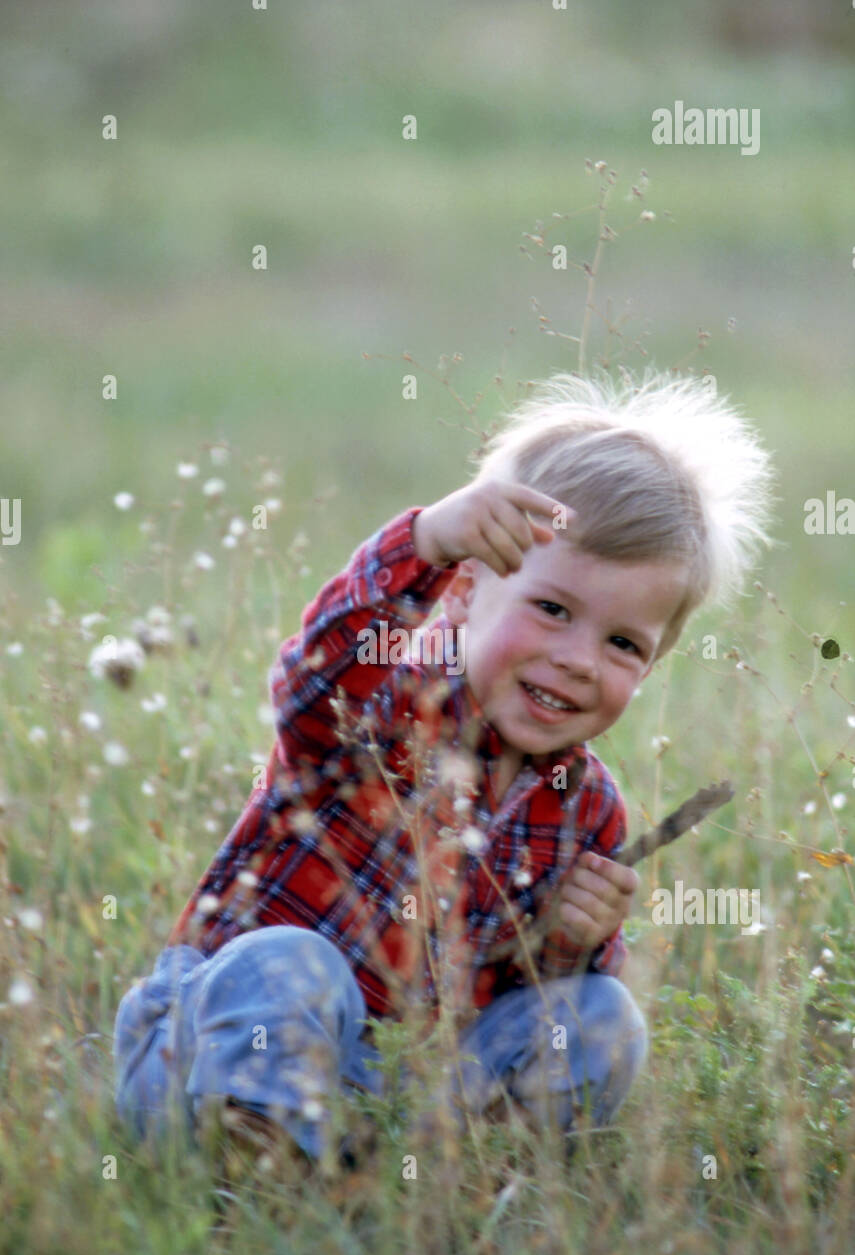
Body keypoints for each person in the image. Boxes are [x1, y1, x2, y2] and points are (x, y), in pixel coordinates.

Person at [112, 368, 775, 1169]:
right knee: (290, 966)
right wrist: (422, 541)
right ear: (463, 592)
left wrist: (576, 944)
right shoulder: (387, 709)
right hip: (210, 1047)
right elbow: (316, 673)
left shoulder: (586, 807)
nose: (575, 660)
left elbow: (516, 993)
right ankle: (256, 1168)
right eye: (552, 609)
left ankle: (449, 1174)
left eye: (621, 643)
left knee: (601, 1016)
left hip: (395, 1085)